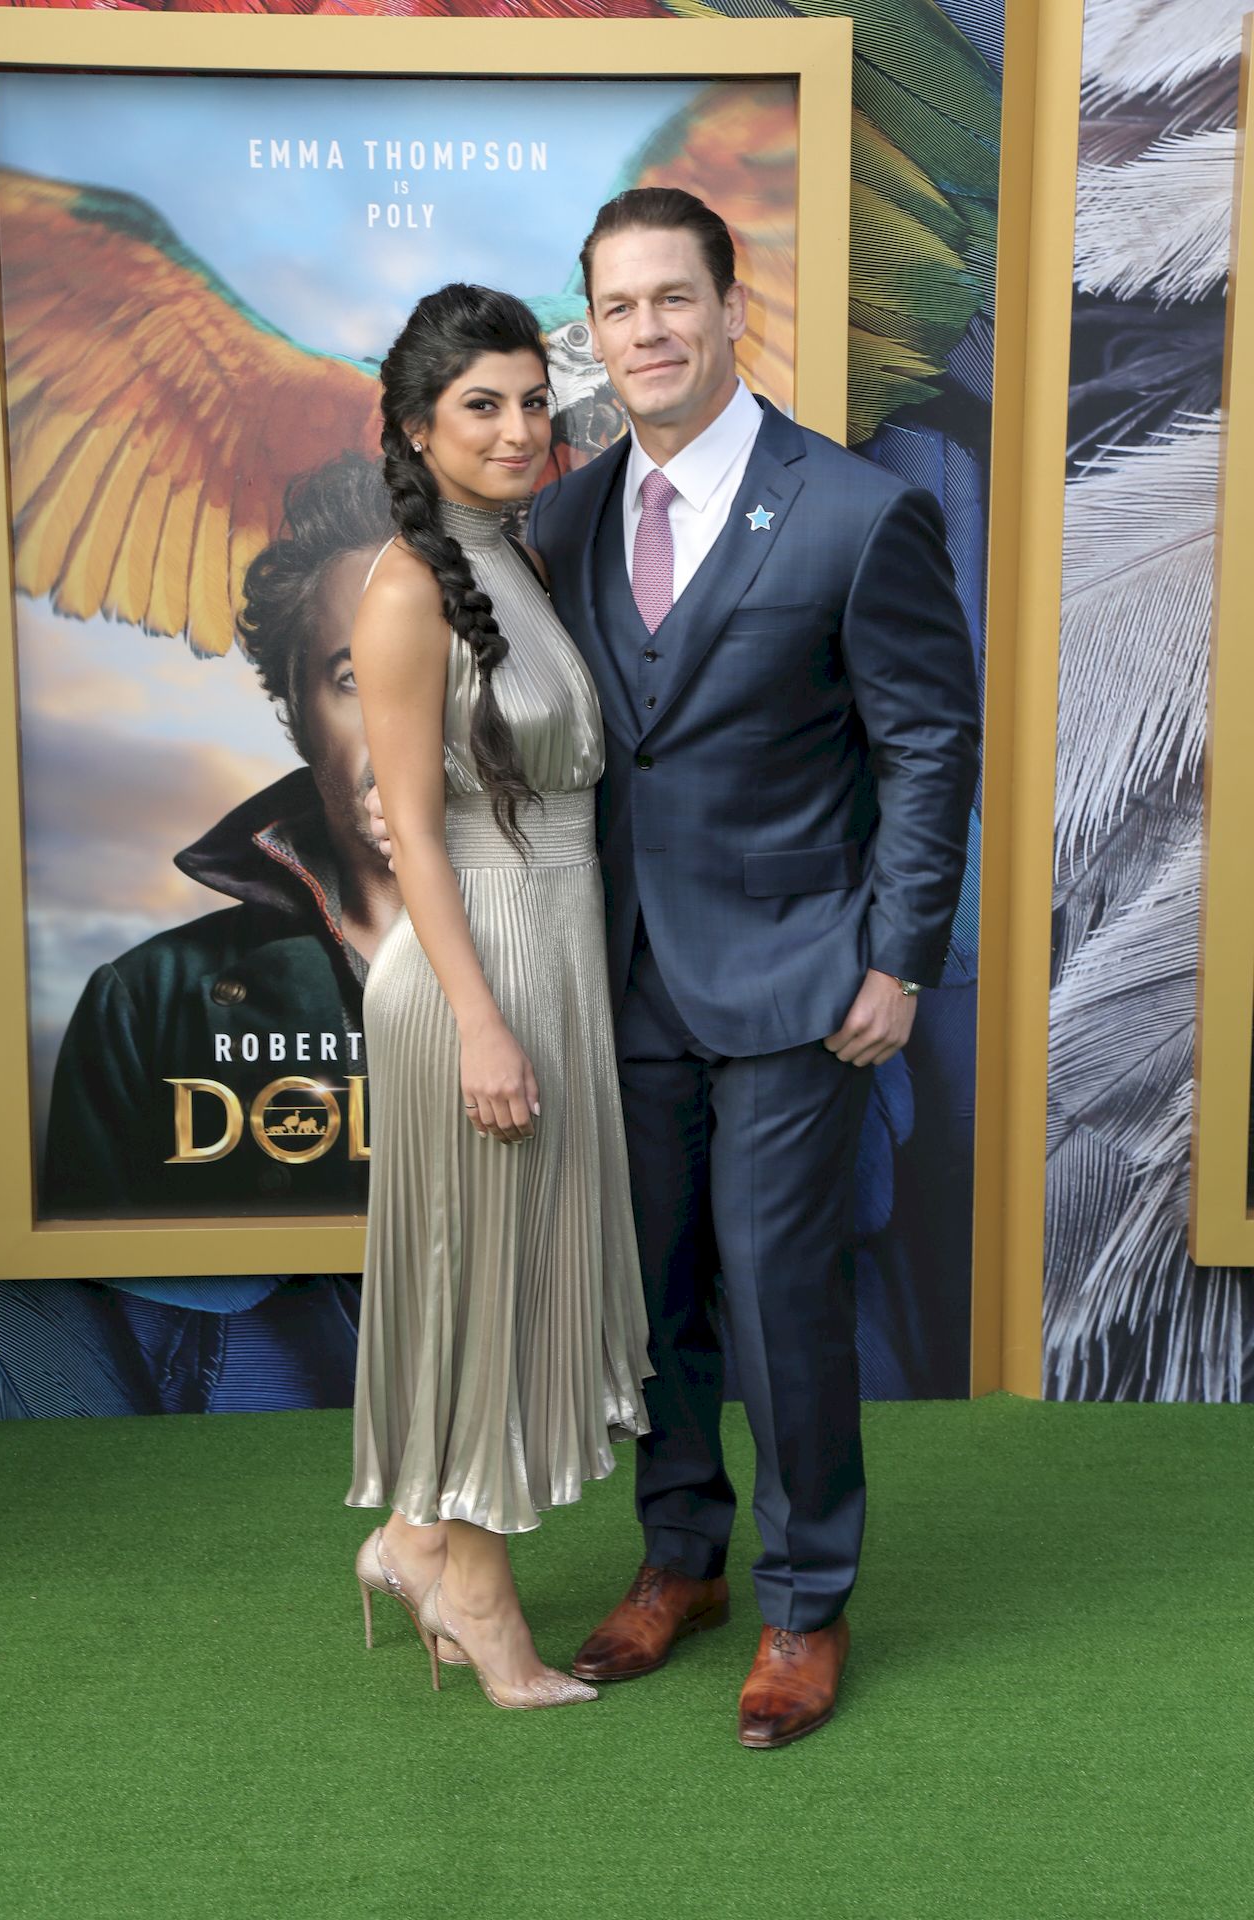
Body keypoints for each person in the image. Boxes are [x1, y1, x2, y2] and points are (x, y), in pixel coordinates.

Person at [525, 188, 980, 1748]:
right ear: (593, 333)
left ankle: (804, 1604)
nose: (646, 330)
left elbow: (929, 749)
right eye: (618, 306)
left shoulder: (855, 511)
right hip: (621, 975)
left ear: (734, 309)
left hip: (801, 978)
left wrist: (899, 960)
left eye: (674, 298)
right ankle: (683, 1561)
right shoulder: (566, 520)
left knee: (783, 1294)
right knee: (655, 1297)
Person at [344, 284, 651, 1711]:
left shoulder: (510, 554)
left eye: (534, 399)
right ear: (417, 427)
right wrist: (478, 1022)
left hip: (554, 947)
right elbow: (410, 832)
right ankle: (468, 1587)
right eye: (483, 405)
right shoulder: (407, 588)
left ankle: (417, 1539)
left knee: (510, 1272)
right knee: (484, 1284)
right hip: (479, 965)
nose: (521, 427)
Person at [43, 454, 400, 1215]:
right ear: (297, 715)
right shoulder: (144, 1006)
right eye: (354, 679)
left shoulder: (606, 968)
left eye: (444, 669)